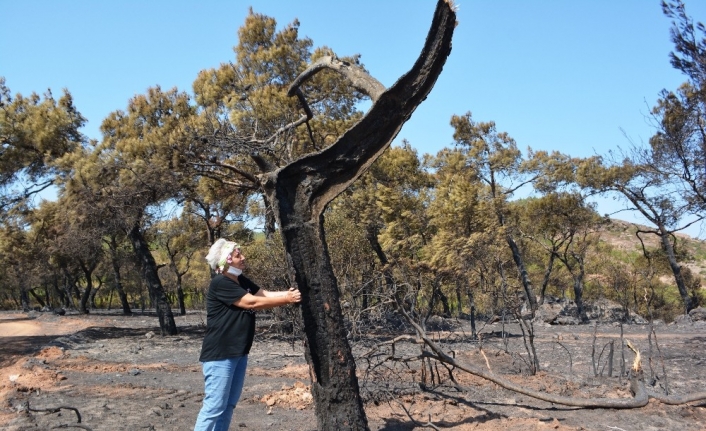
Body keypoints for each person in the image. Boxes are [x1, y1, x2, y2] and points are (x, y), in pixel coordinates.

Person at [194, 238, 301, 431]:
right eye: (238, 255)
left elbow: (264, 294)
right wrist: (287, 299)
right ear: (226, 260)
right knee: (214, 407)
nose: (243, 258)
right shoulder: (221, 282)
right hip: (220, 354)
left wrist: (290, 293)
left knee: (228, 406)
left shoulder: (241, 280)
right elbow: (251, 302)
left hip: (238, 352)